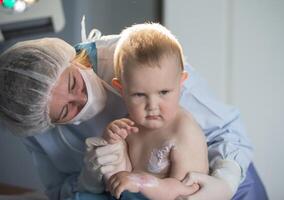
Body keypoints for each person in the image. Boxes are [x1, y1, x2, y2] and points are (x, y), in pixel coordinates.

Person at [0, 24, 268, 200]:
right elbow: (60, 190)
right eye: (65, 110)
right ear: (46, 121)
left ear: (70, 60)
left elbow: (226, 133)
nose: (81, 99)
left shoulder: (140, 61)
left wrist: (226, 181)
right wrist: (90, 179)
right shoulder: (31, 117)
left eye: (72, 83)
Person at [94, 23, 209, 199]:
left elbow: (186, 191)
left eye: (163, 92)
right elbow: (120, 180)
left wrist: (140, 182)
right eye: (139, 95)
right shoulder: (129, 126)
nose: (152, 105)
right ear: (121, 89)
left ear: (181, 82)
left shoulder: (184, 132)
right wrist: (114, 144)